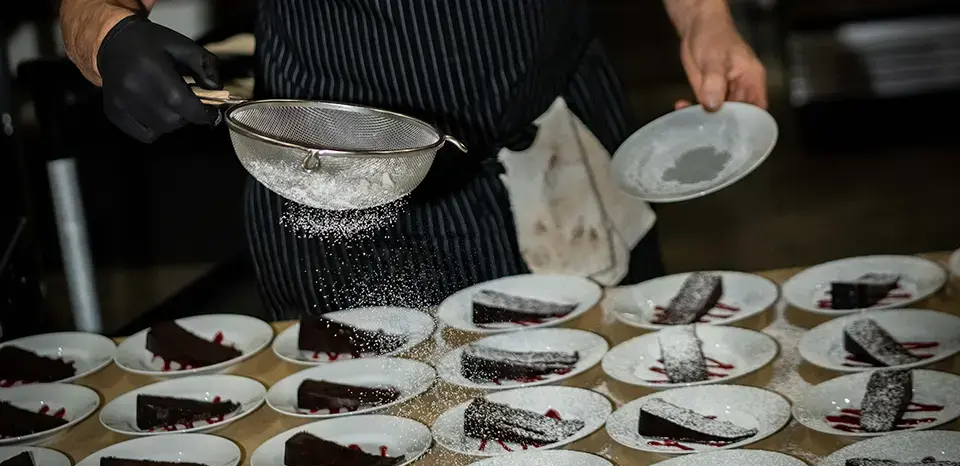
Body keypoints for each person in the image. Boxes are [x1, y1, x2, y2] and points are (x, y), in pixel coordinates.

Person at [60, 0, 767, 320]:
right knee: (371, 463)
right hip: (341, 194)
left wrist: (706, 18)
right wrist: (108, 35)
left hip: (556, 161)